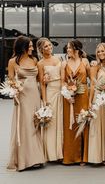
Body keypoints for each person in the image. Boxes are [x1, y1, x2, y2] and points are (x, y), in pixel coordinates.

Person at [7, 36, 45, 171]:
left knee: (34, 124)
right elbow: (11, 81)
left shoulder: (35, 60)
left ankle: (36, 158)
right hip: (22, 98)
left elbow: (40, 81)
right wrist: (14, 90)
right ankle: (24, 160)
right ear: (22, 47)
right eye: (29, 46)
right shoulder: (12, 62)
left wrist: (43, 98)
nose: (32, 48)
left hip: (34, 96)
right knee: (24, 126)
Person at [61, 39, 90, 165]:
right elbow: (62, 81)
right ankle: (70, 156)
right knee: (70, 125)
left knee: (83, 122)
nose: (68, 50)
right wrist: (67, 95)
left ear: (76, 49)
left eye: (70, 48)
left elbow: (92, 78)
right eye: (67, 48)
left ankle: (83, 156)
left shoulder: (85, 61)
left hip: (83, 95)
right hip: (69, 98)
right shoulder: (64, 63)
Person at [37, 37, 63, 162]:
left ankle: (61, 152)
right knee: (51, 122)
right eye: (45, 46)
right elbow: (42, 84)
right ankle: (51, 154)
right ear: (41, 49)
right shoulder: (40, 63)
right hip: (51, 92)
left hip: (61, 91)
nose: (49, 47)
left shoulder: (58, 59)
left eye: (49, 45)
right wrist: (45, 100)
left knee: (60, 121)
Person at [88, 43, 105, 164]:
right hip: (97, 98)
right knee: (96, 125)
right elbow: (92, 84)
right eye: (98, 52)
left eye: (103, 51)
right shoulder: (95, 66)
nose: (101, 54)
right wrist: (90, 101)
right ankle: (96, 156)